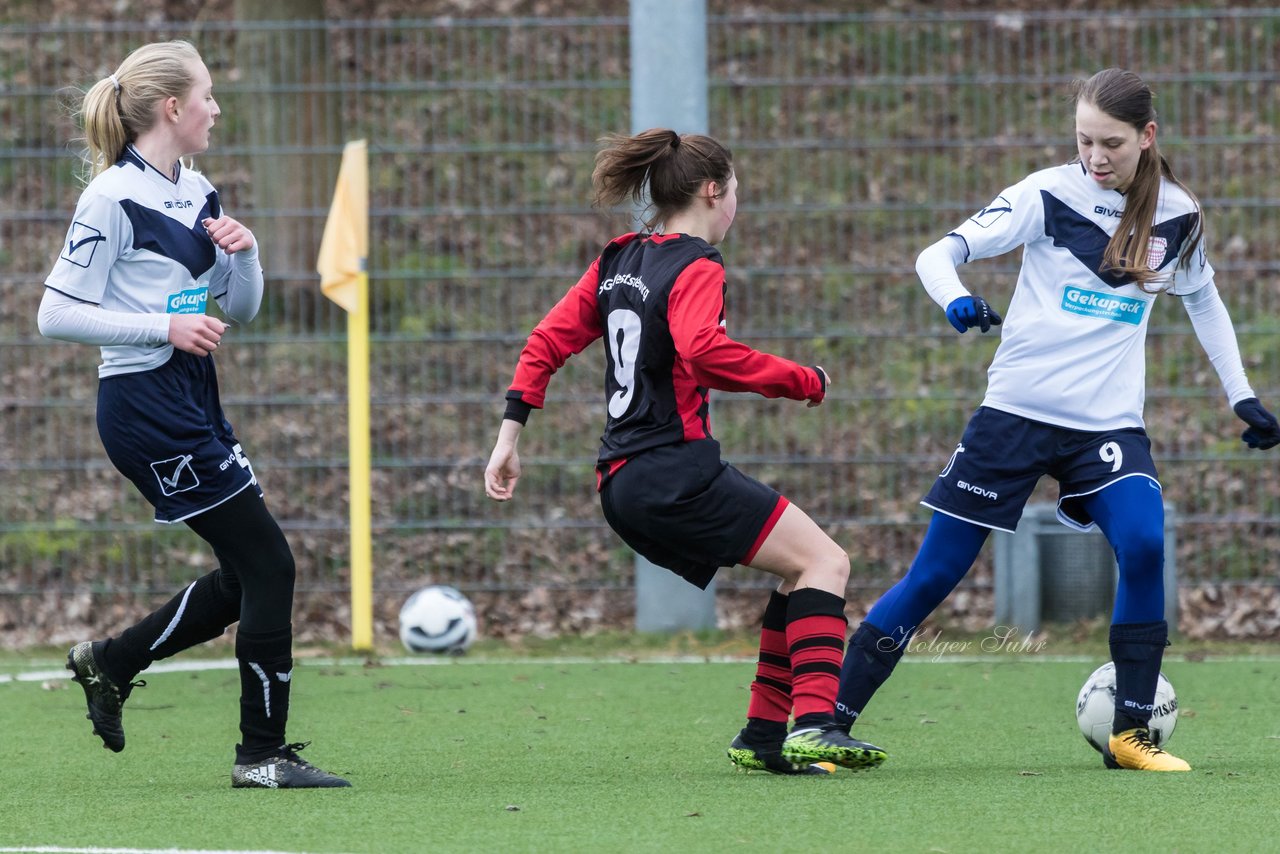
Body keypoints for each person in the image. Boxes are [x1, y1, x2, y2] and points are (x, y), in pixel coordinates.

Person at [833, 68, 1280, 772]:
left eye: (1111, 143)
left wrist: (1241, 394)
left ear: (1147, 138)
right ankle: (831, 721)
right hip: (1014, 414)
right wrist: (955, 299)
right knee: (937, 573)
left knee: (1142, 543)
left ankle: (1131, 735)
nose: (1095, 157)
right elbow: (938, 253)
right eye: (1084, 141)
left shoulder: (1179, 214)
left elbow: (1204, 300)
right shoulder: (1044, 193)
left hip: (1106, 426)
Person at [484, 127, 886, 774]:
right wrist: (800, 379)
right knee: (826, 563)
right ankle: (814, 724)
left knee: (799, 568)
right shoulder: (697, 263)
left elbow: (546, 341)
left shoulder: (618, 260)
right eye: (736, 194)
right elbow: (702, 350)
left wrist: (509, 438)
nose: (736, 208)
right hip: (674, 469)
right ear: (711, 190)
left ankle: (761, 736)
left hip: (621, 482)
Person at [38, 40, 348, 789]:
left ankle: (110, 662)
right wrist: (162, 328)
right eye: (207, 94)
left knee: (248, 577)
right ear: (172, 107)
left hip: (191, 393)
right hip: (144, 405)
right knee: (271, 563)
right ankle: (260, 755)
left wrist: (246, 255)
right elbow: (54, 314)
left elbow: (237, 308)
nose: (216, 107)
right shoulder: (110, 197)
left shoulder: (196, 185)